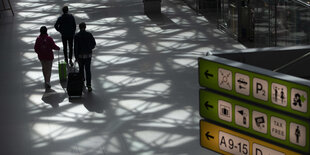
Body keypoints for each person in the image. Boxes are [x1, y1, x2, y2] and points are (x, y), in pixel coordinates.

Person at [74, 22, 96, 92]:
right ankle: (89, 85)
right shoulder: (89, 34)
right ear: (85, 27)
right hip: (88, 55)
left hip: (80, 56)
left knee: (81, 70)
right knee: (88, 70)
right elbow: (94, 44)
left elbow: (75, 47)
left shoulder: (77, 35)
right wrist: (90, 48)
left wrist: (76, 56)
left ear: (79, 27)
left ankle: (81, 82)